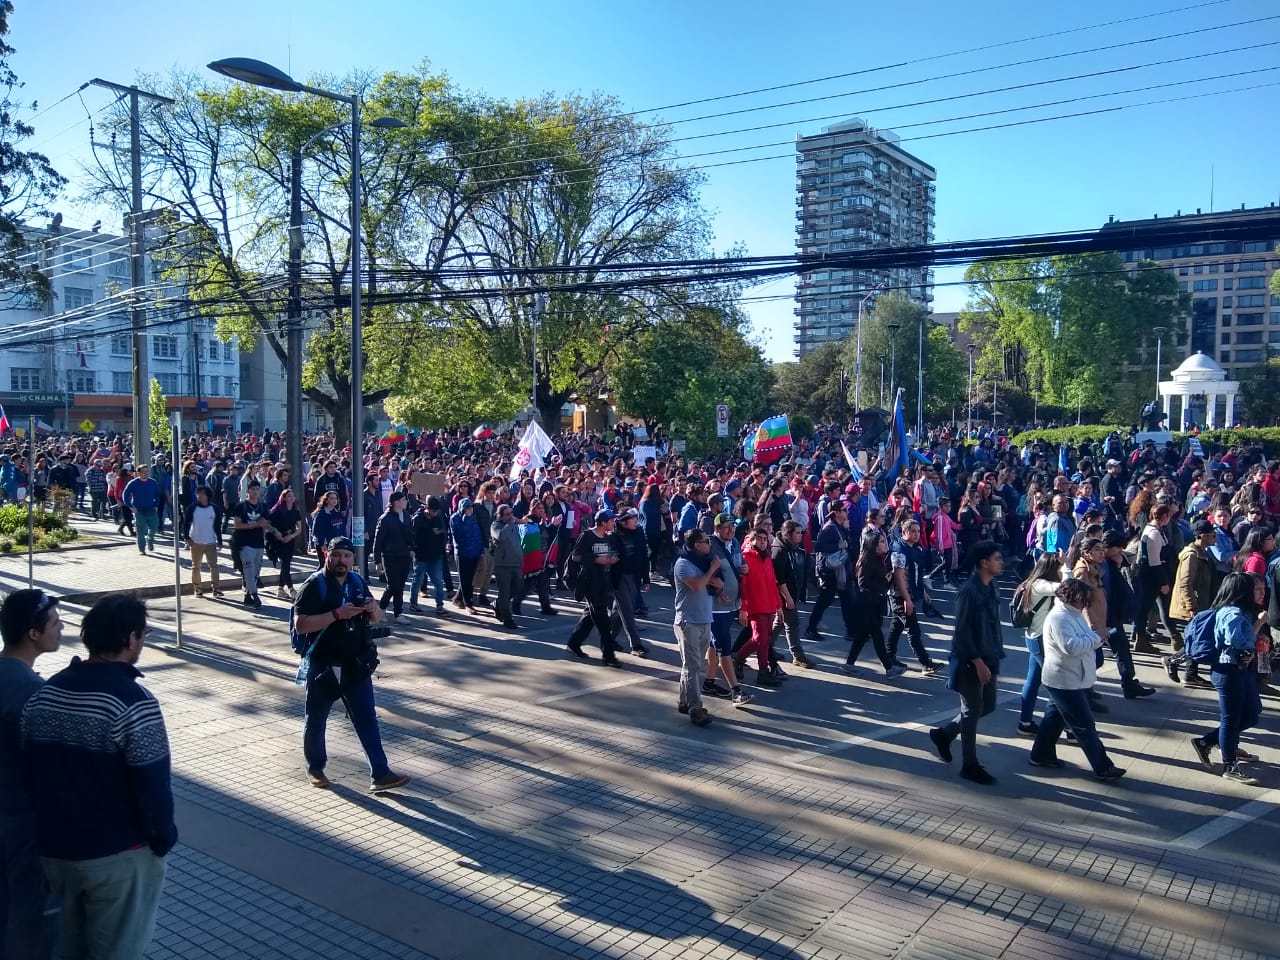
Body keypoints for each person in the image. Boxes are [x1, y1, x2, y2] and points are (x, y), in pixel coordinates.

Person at [21, 593, 176, 959]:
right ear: (130, 639)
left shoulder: (45, 693)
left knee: (66, 949)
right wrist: (162, 839)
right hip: (117, 857)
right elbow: (154, 787)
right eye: (143, 634)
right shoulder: (134, 702)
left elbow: (30, 772)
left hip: (54, 852)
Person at [292, 537, 410, 792]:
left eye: (346, 556)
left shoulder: (357, 581)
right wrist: (336, 614)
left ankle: (380, 773)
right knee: (316, 719)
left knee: (367, 718)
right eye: (337, 555)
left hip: (355, 663)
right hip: (324, 665)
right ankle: (315, 768)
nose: (342, 560)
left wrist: (372, 608)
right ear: (327, 555)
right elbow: (300, 625)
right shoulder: (314, 586)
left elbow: (379, 616)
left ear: (353, 559)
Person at [0, 589, 62, 960]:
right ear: (33, 634)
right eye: (55, 623)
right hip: (20, 825)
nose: (61, 627)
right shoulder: (31, 693)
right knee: (27, 920)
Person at [1028, 578, 1126, 780]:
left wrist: (1094, 636)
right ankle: (1103, 767)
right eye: (1084, 599)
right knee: (1084, 725)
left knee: (1053, 720)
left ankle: (1040, 755)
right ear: (1074, 598)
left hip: (1067, 678)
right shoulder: (1059, 618)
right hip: (1064, 680)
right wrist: (1097, 637)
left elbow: (1081, 639)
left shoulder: (1072, 614)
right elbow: (1071, 647)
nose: (1087, 603)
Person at [928, 541, 1005, 785]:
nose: (1000, 562)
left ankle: (945, 734)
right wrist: (977, 661)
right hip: (971, 660)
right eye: (997, 558)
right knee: (971, 710)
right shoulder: (969, 592)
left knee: (989, 705)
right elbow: (961, 633)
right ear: (984, 562)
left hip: (991, 655)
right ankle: (969, 765)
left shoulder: (991, 587)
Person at [1189, 572, 1265, 785]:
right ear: (1243, 592)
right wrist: (1258, 625)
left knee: (1251, 714)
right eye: (1256, 589)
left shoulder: (1242, 612)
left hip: (1241, 670)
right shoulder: (1231, 613)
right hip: (1227, 671)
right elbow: (1239, 642)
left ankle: (1209, 742)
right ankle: (1229, 764)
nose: (1261, 593)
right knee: (1231, 719)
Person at [673, 530, 721, 726]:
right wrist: (711, 571)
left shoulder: (702, 563)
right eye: (705, 541)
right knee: (693, 666)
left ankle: (684, 701)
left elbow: (716, 584)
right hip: (688, 621)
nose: (709, 544)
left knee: (693, 664)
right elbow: (696, 585)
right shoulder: (683, 564)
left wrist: (714, 578)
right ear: (695, 545)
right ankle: (696, 708)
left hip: (704, 618)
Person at [1165, 519, 1218, 688]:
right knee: (1195, 640)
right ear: (1202, 536)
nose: (1214, 538)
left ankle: (1190, 674)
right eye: (1211, 535)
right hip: (1192, 606)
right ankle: (1172, 661)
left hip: (1201, 603)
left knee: (1196, 639)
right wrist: (1191, 607)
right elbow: (1185, 582)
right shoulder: (1191, 555)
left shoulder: (1203, 552)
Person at [1015, 553, 1062, 737]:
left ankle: (1025, 722)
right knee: (1057, 684)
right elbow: (1065, 588)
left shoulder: (1032, 581)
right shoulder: (1041, 585)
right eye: (1057, 567)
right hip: (1040, 639)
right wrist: (1067, 567)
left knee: (1033, 681)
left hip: (1034, 636)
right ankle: (1069, 728)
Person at [566, 510, 621, 666]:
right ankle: (609, 656)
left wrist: (612, 559)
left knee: (591, 616)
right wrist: (596, 559)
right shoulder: (587, 536)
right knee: (603, 620)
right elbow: (576, 556)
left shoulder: (609, 537)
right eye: (610, 520)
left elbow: (612, 554)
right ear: (603, 522)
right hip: (590, 583)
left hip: (604, 582)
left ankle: (574, 642)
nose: (613, 523)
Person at [887, 519, 939, 675]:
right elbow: (899, 576)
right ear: (905, 532)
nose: (917, 534)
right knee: (913, 630)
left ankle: (889, 657)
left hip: (911, 594)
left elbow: (916, 574)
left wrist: (923, 593)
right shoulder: (899, 549)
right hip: (900, 596)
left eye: (918, 531)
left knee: (897, 626)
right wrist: (907, 600)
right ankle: (926, 663)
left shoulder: (916, 549)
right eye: (913, 531)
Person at [847, 533, 898, 676]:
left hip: (876, 603)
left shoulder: (880, 559)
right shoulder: (867, 560)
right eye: (881, 542)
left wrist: (887, 579)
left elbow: (880, 580)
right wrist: (883, 584)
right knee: (877, 634)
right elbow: (862, 583)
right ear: (874, 545)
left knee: (862, 635)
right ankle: (889, 667)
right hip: (867, 603)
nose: (884, 544)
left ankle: (849, 663)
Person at [737, 526, 780, 690]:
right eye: (759, 539)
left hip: (768, 604)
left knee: (764, 640)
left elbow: (772, 582)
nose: (763, 542)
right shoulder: (746, 557)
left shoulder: (767, 558)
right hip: (755, 605)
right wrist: (743, 607)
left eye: (765, 539)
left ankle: (756, 668)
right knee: (759, 639)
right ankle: (746, 663)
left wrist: (778, 606)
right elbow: (744, 585)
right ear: (752, 540)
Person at [770, 520, 812, 669]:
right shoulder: (779, 551)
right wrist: (787, 598)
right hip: (784, 595)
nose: (801, 536)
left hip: (793, 592)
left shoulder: (793, 547)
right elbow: (779, 579)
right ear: (788, 534)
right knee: (792, 624)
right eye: (798, 533)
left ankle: (764, 647)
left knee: (779, 622)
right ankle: (798, 656)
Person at [609, 508, 650, 655]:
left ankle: (608, 639)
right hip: (619, 578)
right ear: (624, 522)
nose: (636, 521)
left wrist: (646, 578)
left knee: (617, 611)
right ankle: (636, 645)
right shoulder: (614, 536)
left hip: (634, 576)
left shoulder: (639, 532)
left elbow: (644, 556)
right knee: (627, 611)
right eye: (633, 518)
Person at [372, 491, 413, 620]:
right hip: (390, 556)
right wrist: (377, 561)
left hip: (404, 556)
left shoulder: (406, 516)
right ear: (396, 502)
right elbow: (377, 541)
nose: (406, 502)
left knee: (400, 585)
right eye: (403, 500)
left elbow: (410, 535)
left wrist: (412, 548)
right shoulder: (385, 519)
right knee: (393, 585)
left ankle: (397, 612)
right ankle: (383, 609)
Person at [233, 480, 270, 608]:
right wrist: (254, 524)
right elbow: (237, 524)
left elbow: (265, 523)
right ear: (248, 491)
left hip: (259, 543)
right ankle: (255, 594)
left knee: (255, 572)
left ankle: (247, 596)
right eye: (252, 489)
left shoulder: (263, 507)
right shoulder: (241, 506)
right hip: (244, 543)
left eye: (257, 489)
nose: (255, 492)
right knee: (248, 569)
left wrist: (264, 534)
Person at [408, 496, 449, 615]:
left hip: (435, 555)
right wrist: (414, 549)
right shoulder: (418, 518)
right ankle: (413, 604)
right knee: (417, 580)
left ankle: (440, 605)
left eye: (437, 511)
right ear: (427, 508)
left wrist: (441, 538)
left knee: (438, 582)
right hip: (421, 555)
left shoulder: (438, 517)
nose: (435, 513)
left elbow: (443, 532)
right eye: (433, 511)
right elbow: (413, 535)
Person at [490, 503, 523, 629]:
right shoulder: (496, 525)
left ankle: (497, 604)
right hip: (502, 565)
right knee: (505, 592)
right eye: (507, 514)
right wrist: (509, 524)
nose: (511, 516)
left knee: (518, 588)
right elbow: (500, 536)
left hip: (516, 563)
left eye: (511, 513)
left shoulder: (514, 526)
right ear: (500, 515)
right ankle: (507, 618)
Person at [268, 488, 304, 600]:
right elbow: (268, 525)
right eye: (288, 496)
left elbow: (299, 528)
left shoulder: (295, 511)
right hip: (277, 540)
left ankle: (280, 589)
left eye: (292, 496)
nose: (291, 498)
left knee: (286, 564)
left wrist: (291, 536)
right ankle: (291, 589)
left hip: (289, 539)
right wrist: (278, 534)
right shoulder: (277, 510)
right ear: (283, 498)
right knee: (285, 564)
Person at [187, 485, 222, 598]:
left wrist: (220, 540)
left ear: (208, 495)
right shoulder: (192, 508)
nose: (200, 496)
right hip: (196, 542)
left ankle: (216, 589)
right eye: (198, 494)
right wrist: (187, 538)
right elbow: (186, 523)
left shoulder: (215, 508)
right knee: (196, 566)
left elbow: (217, 526)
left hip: (211, 542)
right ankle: (197, 589)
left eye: (202, 494)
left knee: (214, 566)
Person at [450, 498, 483, 613]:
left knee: (469, 578)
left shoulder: (474, 517)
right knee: (465, 579)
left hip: (475, 552)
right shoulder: (455, 518)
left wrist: (480, 549)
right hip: (462, 553)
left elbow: (477, 533)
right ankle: (468, 603)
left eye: (471, 507)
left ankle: (457, 598)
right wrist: (466, 518)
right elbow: (458, 535)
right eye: (467, 507)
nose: (470, 509)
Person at [122, 463, 161, 555]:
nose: (146, 473)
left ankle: (150, 539)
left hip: (151, 509)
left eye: (147, 472)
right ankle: (142, 549)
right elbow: (125, 495)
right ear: (138, 473)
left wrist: (156, 505)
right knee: (140, 531)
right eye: (143, 472)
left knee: (154, 527)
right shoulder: (133, 483)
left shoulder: (153, 482)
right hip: (139, 510)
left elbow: (158, 495)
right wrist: (131, 507)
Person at [311, 490, 347, 567]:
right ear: (326, 500)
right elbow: (316, 531)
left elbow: (341, 529)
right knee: (324, 565)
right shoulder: (321, 514)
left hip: (335, 544)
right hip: (324, 544)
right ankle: (316, 579)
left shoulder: (337, 513)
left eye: (335, 498)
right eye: (332, 498)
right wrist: (322, 544)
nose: (334, 500)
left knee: (333, 566)